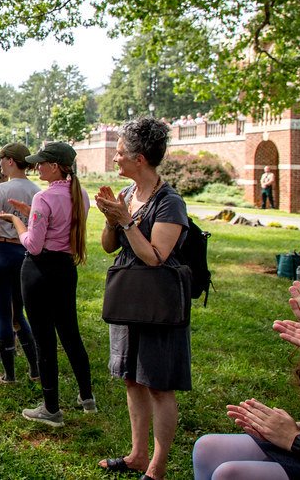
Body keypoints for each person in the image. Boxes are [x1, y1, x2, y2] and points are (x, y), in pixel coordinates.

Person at [95, 118, 190, 479]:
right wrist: (111, 220)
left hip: (159, 304)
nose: (115, 158)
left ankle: (157, 465)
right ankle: (137, 454)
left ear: (140, 159)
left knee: (158, 385)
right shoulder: (125, 196)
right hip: (128, 300)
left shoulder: (170, 203)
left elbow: (155, 257)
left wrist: (128, 222)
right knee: (132, 379)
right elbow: (108, 247)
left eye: (120, 153)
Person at [193, 256, 300, 480]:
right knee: (207, 447)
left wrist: (294, 440)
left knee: (230, 474)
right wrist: (277, 429)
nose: (299, 314)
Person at [0, 141, 95, 427]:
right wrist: (31, 212)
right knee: (70, 332)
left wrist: (17, 221)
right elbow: (60, 225)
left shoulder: (45, 198)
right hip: (65, 269)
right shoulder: (81, 195)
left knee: (44, 339)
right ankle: (86, 397)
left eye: (41, 162)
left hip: (38, 271)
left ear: (54, 166)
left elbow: (34, 244)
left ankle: (51, 408)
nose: (36, 166)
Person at [0, 143, 41, 381]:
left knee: (3, 312)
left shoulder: (1, 190)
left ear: (10, 162)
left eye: (1, 159)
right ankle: (35, 369)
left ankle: (9, 375)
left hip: (0, 252)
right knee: (20, 314)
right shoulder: (37, 191)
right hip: (24, 253)